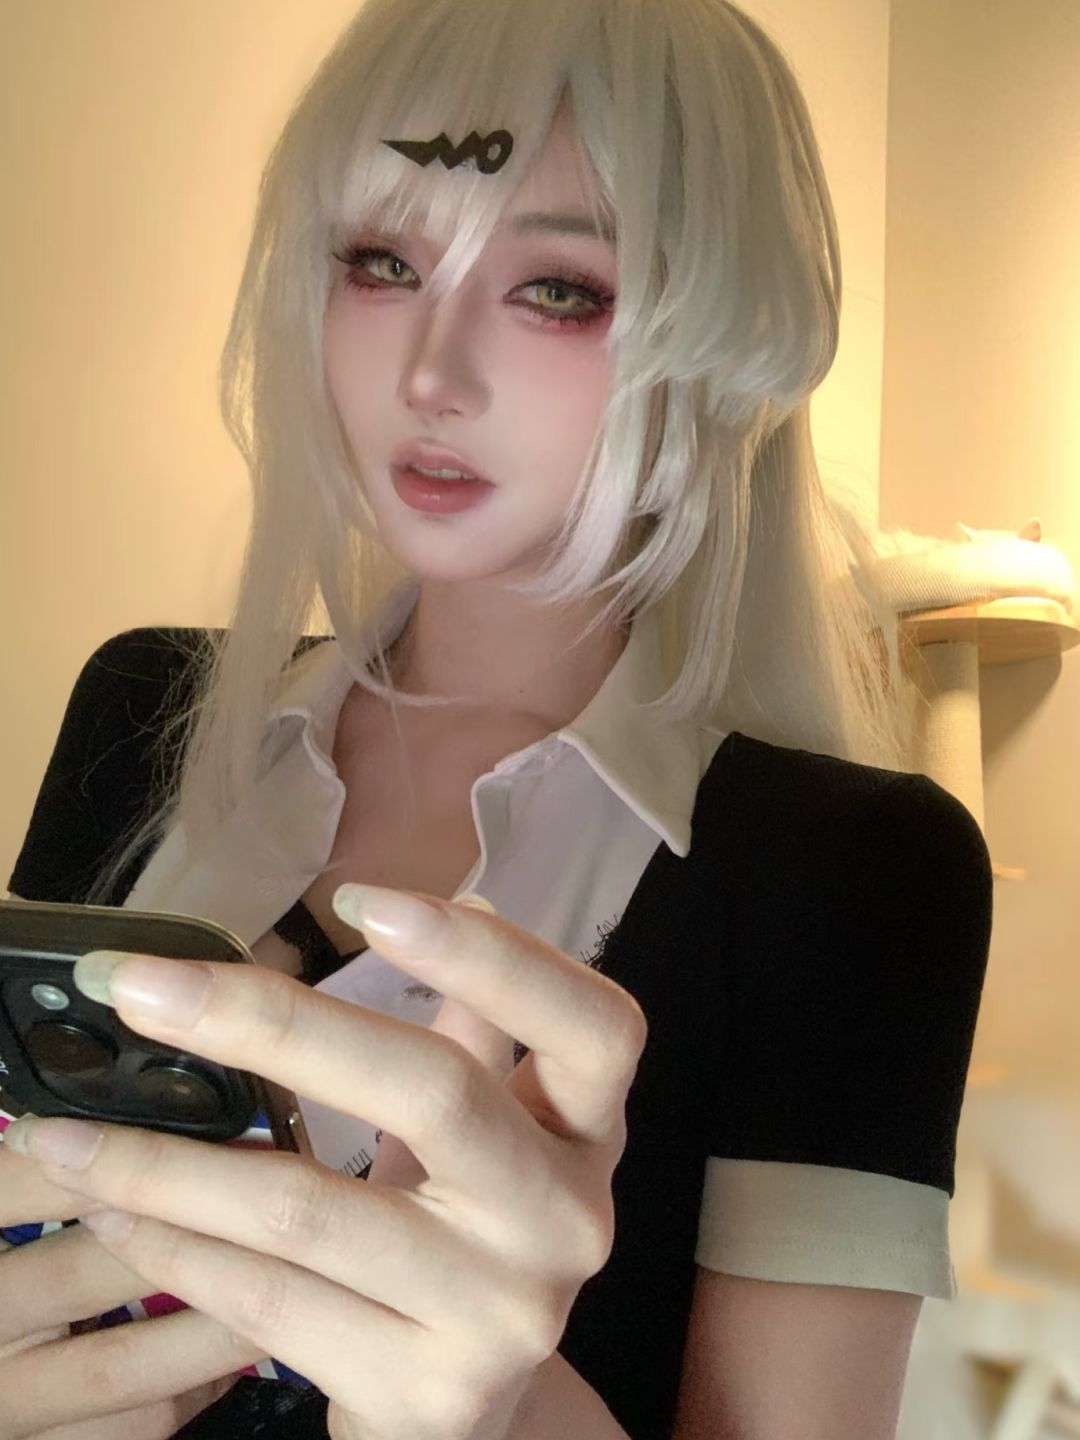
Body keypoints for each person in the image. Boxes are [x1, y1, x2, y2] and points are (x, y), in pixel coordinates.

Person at [0, 0, 994, 1436]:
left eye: (558, 289)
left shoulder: (855, 870)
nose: (430, 375)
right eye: (383, 263)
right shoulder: (141, 705)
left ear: (724, 334)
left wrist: (506, 1405)